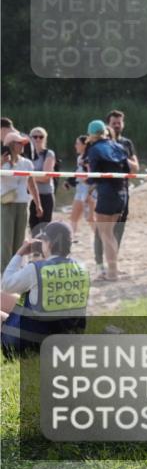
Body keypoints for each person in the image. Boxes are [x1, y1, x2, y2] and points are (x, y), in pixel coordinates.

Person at [1, 222, 88, 357]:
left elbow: (6, 285)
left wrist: (20, 253)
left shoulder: (36, 269)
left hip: (31, 343)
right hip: (67, 339)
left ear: (49, 244)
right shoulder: (82, 269)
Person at [84, 120, 129, 280]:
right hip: (122, 193)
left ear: (91, 134)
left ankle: (112, 272)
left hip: (107, 193)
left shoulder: (94, 149)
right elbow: (128, 170)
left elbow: (93, 175)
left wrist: (87, 182)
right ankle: (113, 269)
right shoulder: (118, 146)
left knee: (106, 233)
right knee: (109, 233)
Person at [96, 110, 139, 274]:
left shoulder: (126, 144)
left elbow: (135, 169)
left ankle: (113, 265)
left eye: (119, 122)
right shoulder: (100, 144)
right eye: (114, 122)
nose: (117, 125)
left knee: (118, 229)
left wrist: (121, 157)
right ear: (108, 124)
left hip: (123, 190)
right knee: (102, 231)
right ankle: (101, 266)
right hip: (105, 190)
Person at [1, 132, 42, 269]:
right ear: (11, 145)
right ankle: (4, 271)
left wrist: (38, 204)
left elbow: (32, 184)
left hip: (23, 204)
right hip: (5, 204)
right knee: (5, 240)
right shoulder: (2, 163)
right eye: (19, 143)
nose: (23, 145)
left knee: (20, 240)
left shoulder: (27, 163)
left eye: (23, 143)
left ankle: (15, 269)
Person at [26, 128, 56, 233]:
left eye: (41, 137)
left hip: (45, 195)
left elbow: (46, 177)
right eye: (35, 137)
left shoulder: (49, 153)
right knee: (33, 228)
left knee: (45, 228)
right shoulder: (27, 155)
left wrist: (29, 177)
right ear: (30, 138)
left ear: (45, 138)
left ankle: (45, 249)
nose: (38, 139)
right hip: (31, 196)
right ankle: (36, 249)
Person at [67, 135, 95, 242]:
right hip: (80, 189)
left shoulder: (89, 159)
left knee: (90, 218)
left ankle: (100, 238)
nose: (75, 146)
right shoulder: (80, 158)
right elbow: (77, 172)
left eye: (77, 143)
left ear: (84, 145)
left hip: (88, 189)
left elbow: (91, 176)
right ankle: (70, 238)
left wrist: (82, 178)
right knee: (74, 216)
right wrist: (70, 182)